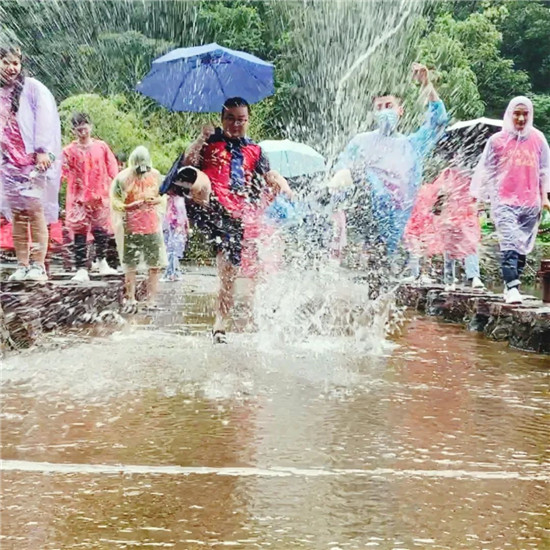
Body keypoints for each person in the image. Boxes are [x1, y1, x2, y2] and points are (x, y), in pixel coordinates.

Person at [164, 97, 292, 343]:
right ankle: (196, 191)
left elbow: (268, 174)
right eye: (230, 118)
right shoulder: (211, 141)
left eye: (241, 119)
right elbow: (188, 161)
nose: (236, 124)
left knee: (228, 275)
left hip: (232, 216)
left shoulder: (255, 150)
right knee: (197, 178)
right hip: (205, 202)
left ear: (248, 121)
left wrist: (282, 183)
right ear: (222, 120)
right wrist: (202, 138)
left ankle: (219, 326)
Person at [330, 62, 447, 262]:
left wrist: (426, 84)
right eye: (379, 107)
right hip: (367, 209)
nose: (384, 111)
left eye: (389, 106)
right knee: (358, 175)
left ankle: (378, 284)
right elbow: (342, 169)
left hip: (396, 214)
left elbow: (438, 122)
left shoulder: (411, 145)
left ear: (400, 111)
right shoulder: (361, 141)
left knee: (381, 264)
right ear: (374, 113)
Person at [471, 96, 550, 304]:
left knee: (522, 247)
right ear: (509, 114)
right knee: (509, 243)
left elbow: (544, 171)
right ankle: (513, 285)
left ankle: (510, 286)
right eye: (517, 113)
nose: (521, 118)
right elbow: (486, 170)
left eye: (525, 113)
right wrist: (479, 196)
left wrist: (545, 198)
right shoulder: (496, 141)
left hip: (530, 202)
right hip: (504, 201)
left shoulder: (538, 139)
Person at [0, 44, 61, 281]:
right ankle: (22, 264)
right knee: (17, 215)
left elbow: (45, 118)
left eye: (16, 63)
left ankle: (38, 265)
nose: (12, 68)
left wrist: (43, 150)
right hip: (8, 164)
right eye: (6, 62)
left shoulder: (32, 88)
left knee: (35, 212)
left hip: (32, 164)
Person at [62, 112, 119, 281]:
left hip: (100, 196)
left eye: (85, 128)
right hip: (79, 198)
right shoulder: (69, 151)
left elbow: (112, 167)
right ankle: (81, 268)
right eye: (78, 129)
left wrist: (116, 186)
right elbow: (61, 171)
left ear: (91, 127)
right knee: (79, 232)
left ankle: (102, 262)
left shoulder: (101, 147)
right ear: (74, 131)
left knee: (101, 230)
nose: (82, 132)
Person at [110, 146, 167, 310]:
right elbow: (115, 201)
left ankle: (151, 300)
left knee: (154, 265)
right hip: (131, 228)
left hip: (152, 226)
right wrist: (129, 206)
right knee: (130, 265)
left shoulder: (155, 176)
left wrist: (155, 201)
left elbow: (163, 196)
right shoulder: (122, 179)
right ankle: (130, 298)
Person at [432, 159, 484, 291]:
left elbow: (479, 192)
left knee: (470, 245)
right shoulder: (448, 173)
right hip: (451, 215)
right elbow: (438, 193)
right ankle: (449, 280)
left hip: (467, 216)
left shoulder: (472, 174)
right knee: (450, 248)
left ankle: (474, 277)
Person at [161, 194, 189, 282]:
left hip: (175, 225)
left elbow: (182, 212)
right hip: (172, 225)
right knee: (172, 249)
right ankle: (173, 273)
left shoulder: (177, 198)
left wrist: (184, 224)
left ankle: (171, 273)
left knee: (173, 249)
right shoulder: (173, 198)